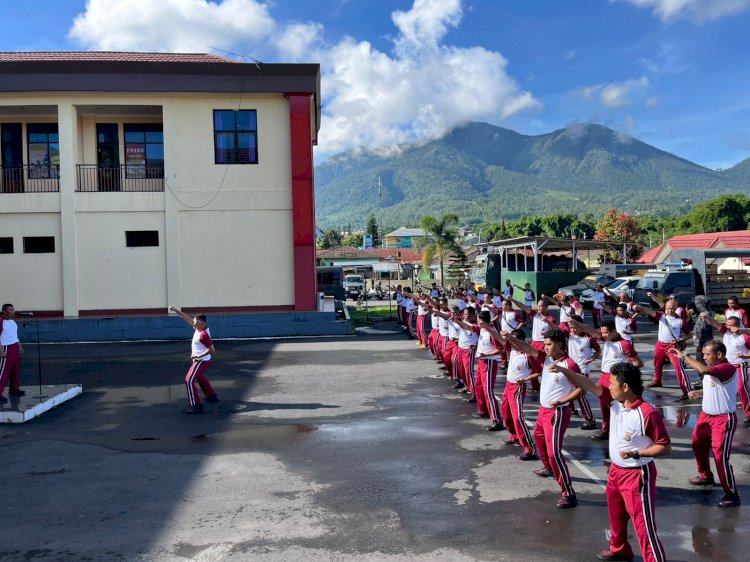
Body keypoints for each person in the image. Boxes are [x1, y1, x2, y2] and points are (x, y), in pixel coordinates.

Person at [553, 362, 671, 562]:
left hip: (637, 474)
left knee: (644, 527)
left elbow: (665, 447)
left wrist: (637, 453)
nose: (608, 386)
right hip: (616, 472)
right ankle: (620, 549)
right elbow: (589, 384)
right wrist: (565, 371)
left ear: (625, 387)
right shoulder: (614, 403)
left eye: (612, 383)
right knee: (616, 516)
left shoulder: (646, 413)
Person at [669, 342, 742, 508]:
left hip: (723, 419)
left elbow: (703, 370)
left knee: (720, 457)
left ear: (719, 355)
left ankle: (732, 494)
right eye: (703, 354)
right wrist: (699, 393)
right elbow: (715, 386)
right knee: (697, 445)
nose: (704, 357)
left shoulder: (727, 368)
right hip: (705, 416)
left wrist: (683, 356)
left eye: (707, 354)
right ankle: (705, 476)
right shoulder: (713, 369)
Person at [525, 329, 584, 509]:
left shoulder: (570, 365)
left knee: (554, 453)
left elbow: (582, 388)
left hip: (557, 413)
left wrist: (562, 401)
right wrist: (511, 338)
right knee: (539, 439)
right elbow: (527, 349)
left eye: (549, 344)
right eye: (545, 344)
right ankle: (549, 468)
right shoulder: (546, 358)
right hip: (543, 411)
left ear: (559, 344)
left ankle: (568, 493)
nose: (546, 347)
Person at [570, 318, 644, 441]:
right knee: (603, 405)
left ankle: (625, 431)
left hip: (615, 379)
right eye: (602, 332)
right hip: (603, 377)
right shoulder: (608, 339)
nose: (603, 335)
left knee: (616, 406)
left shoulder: (624, 344)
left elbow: (638, 363)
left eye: (606, 333)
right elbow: (592, 332)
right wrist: (576, 323)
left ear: (614, 331)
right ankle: (606, 430)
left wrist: (623, 374)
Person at [634, 299, 692, 400]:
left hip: (672, 347)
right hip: (660, 345)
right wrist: (639, 308)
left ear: (676, 308)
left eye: (672, 309)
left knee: (679, 367)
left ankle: (687, 391)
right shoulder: (661, 316)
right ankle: (657, 382)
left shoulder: (680, 321)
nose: (670, 311)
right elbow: (649, 311)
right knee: (657, 364)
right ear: (665, 308)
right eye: (668, 309)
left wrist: (680, 339)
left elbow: (690, 335)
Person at [498, 329, 540, 460]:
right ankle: (515, 436)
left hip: (518, 387)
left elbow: (539, 371)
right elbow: (500, 339)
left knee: (518, 418)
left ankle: (530, 448)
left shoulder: (528, 356)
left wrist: (526, 379)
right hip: (508, 385)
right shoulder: (512, 350)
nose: (512, 343)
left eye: (514, 341)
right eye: (511, 341)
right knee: (506, 412)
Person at [701, 314, 750, 424]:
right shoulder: (726, 332)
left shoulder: (745, 337)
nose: (727, 327)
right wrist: (707, 317)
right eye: (726, 324)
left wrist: (745, 356)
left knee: (741, 388)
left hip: (739, 365)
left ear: (737, 325)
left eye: (730, 325)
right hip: (726, 365)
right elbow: (716, 324)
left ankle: (748, 413)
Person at [168, 306, 219, 414]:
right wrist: (175, 310)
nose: (192, 322)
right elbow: (187, 318)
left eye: (194, 321)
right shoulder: (198, 327)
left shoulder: (203, 335)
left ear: (200, 322)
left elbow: (212, 350)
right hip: (201, 360)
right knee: (199, 376)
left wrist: (198, 356)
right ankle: (212, 396)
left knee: (189, 380)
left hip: (202, 361)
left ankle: (196, 406)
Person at [565, 314, 600, 430]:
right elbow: (556, 328)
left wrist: (592, 358)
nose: (573, 330)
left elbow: (598, 350)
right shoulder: (570, 335)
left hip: (582, 370)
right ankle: (572, 410)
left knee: (581, 395)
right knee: (566, 390)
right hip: (570, 368)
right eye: (571, 327)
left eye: (575, 327)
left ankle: (590, 419)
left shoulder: (588, 339)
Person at [472, 310, 504, 431]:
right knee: (478, 386)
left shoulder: (491, 333)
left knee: (488, 392)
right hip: (481, 362)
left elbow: (501, 349)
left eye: (478, 319)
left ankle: (497, 420)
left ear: (483, 319)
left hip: (489, 363)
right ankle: (484, 410)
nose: (477, 320)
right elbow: (466, 326)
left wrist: (485, 354)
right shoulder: (481, 330)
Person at [0, 303, 25, 402]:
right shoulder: (1, 322)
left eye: (13, 309)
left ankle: (14, 389)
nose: (13, 311)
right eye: (10, 310)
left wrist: (19, 345)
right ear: (4, 311)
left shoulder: (13, 322)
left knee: (15, 370)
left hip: (14, 347)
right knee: (3, 372)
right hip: (5, 348)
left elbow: (15, 335)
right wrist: (0, 351)